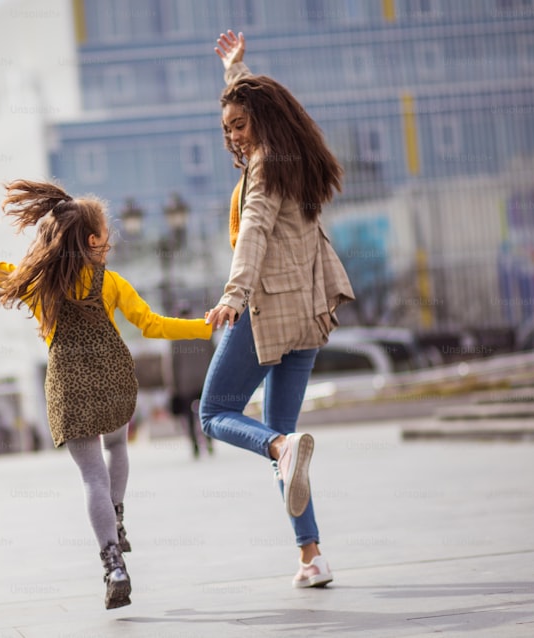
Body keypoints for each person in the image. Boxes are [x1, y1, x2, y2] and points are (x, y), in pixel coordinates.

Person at [0, 179, 211, 610]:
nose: (111, 240)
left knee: (90, 477)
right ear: (91, 240)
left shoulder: (35, 282)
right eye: (107, 233)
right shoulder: (111, 282)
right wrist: (207, 325)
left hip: (69, 383)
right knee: (118, 446)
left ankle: (112, 562)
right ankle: (117, 519)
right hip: (112, 375)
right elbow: (154, 325)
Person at [200, 30, 355, 589]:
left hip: (271, 308)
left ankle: (279, 447)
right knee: (285, 441)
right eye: (227, 129)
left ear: (263, 120)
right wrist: (235, 70)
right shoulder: (296, 157)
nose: (234, 135)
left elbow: (255, 234)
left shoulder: (265, 167)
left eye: (240, 125)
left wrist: (232, 295)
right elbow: (250, 106)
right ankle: (311, 556)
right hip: (311, 313)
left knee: (213, 412)